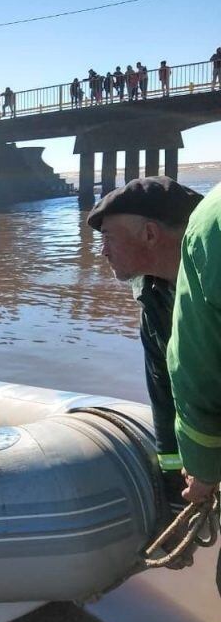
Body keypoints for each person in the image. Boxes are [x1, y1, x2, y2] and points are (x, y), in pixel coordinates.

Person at [87, 177, 203, 514]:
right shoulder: (153, 302)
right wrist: (173, 486)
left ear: (150, 234)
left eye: (108, 237)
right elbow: (164, 394)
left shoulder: (211, 287)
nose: (102, 251)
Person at [166, 186, 221, 502]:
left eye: (109, 236)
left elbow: (196, 369)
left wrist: (203, 468)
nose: (103, 250)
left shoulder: (211, 219)